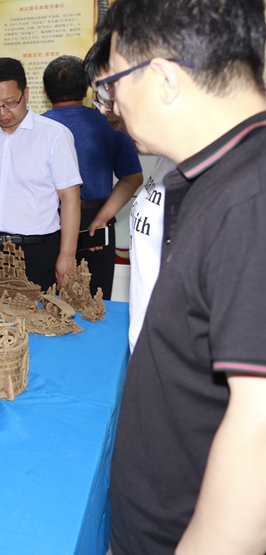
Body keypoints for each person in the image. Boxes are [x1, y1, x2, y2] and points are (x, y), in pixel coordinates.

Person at [100, 0, 266, 555]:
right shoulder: (209, 178)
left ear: (164, 78)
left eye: (114, 83)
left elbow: (260, 430)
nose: (113, 103)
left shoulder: (251, 198)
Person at [0, 57, 82, 291]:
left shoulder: (54, 135)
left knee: (36, 313)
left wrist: (67, 254)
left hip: (37, 251)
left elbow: (70, 197)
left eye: (10, 103)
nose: (2, 112)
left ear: (26, 93)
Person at [84, 35, 175, 352]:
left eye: (110, 94)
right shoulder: (168, 160)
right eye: (100, 98)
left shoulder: (228, 176)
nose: (105, 111)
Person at [42, 54, 143, 299]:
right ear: (88, 88)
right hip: (95, 227)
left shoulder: (36, 128)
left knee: (47, 305)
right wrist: (102, 218)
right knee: (95, 306)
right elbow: (132, 178)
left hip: (47, 224)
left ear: (45, 92)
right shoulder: (110, 123)